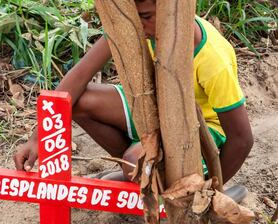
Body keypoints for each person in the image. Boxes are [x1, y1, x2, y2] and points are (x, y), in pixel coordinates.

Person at [13, 0, 253, 183]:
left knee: (134, 161)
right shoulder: (139, 26)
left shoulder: (212, 58)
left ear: (173, 12)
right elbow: (78, 76)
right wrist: (38, 137)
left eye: (146, 16)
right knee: (80, 101)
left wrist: (213, 188)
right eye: (136, 17)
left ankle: (144, 174)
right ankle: (138, 174)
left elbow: (242, 139)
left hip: (201, 127)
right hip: (155, 107)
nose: (139, 25)